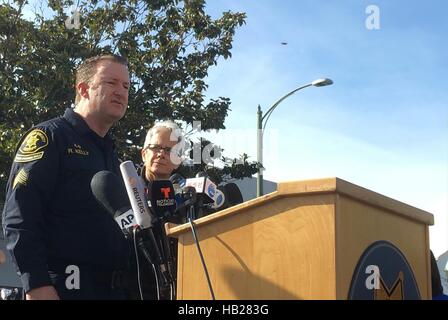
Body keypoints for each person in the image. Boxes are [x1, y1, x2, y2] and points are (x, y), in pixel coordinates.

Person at [2, 54, 131, 300]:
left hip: (114, 290)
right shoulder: (49, 137)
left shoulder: (112, 154)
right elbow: (19, 215)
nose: (121, 92)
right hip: (64, 289)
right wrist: (36, 284)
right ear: (83, 88)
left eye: (126, 86)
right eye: (111, 83)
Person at [125, 121, 184, 300]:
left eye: (169, 150)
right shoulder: (126, 188)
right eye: (156, 147)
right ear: (144, 154)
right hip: (133, 289)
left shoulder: (186, 197)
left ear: (178, 161)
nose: (161, 154)